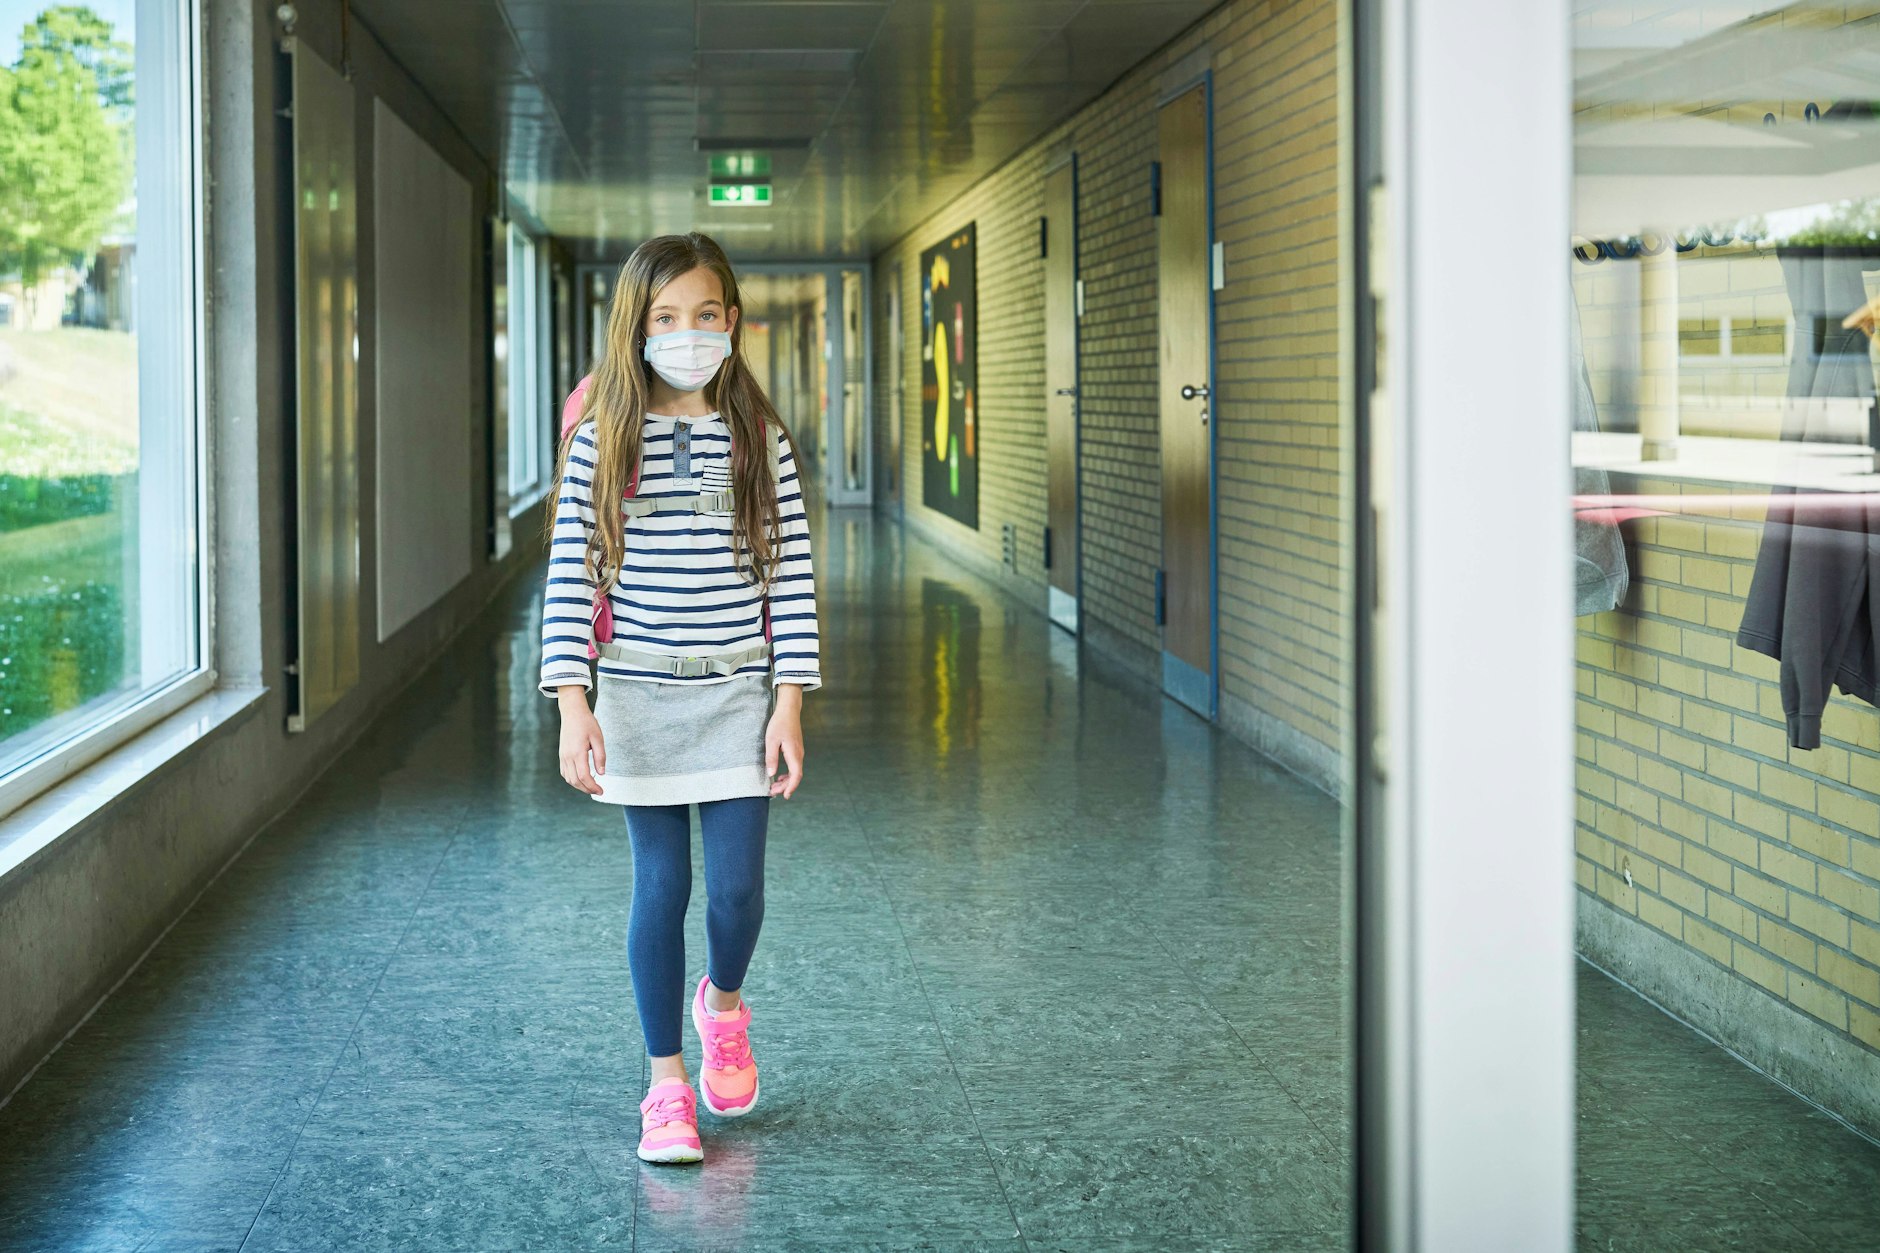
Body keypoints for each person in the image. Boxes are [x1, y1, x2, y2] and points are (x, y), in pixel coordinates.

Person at [537, 232, 821, 1165]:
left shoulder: (759, 440)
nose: (686, 333)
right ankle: (665, 1084)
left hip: (738, 693)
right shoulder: (603, 438)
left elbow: (790, 574)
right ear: (636, 328)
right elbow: (570, 574)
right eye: (665, 317)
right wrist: (572, 701)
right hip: (636, 696)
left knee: (738, 891)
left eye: (703, 314)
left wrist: (789, 700)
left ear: (731, 322)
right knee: (661, 886)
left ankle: (722, 1005)